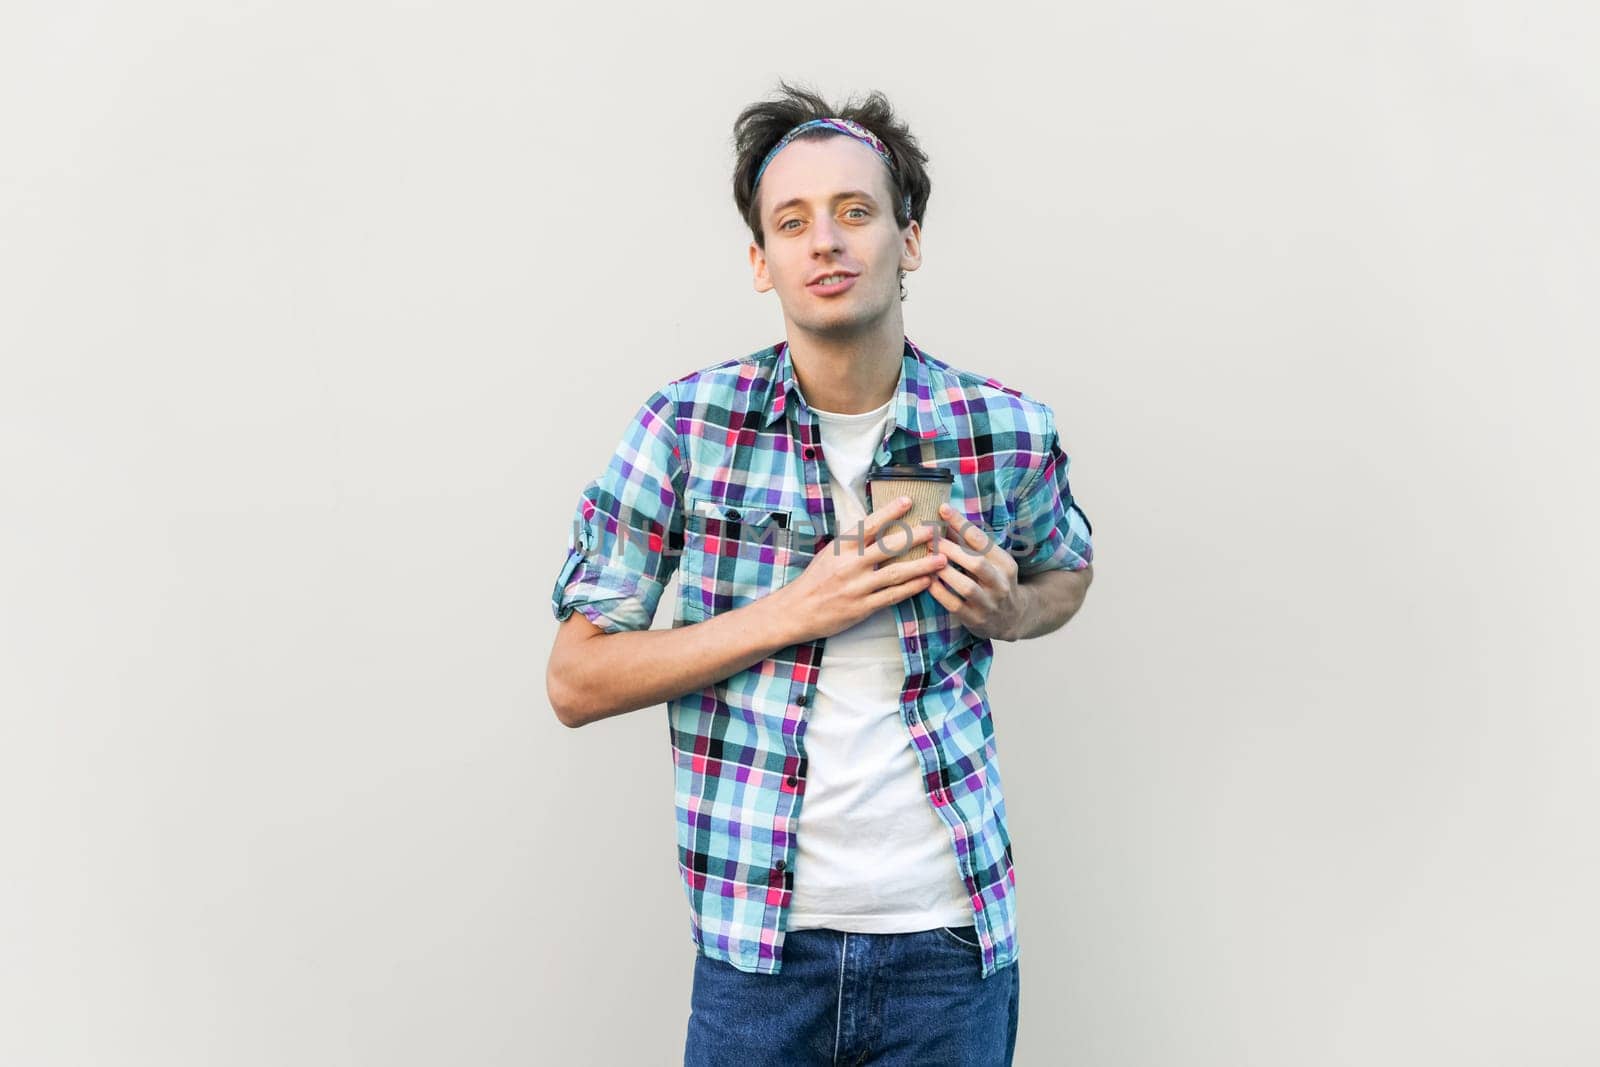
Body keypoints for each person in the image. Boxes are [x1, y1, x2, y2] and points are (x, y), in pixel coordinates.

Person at [547, 81, 1095, 1066]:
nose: (825, 241)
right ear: (761, 261)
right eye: (791, 221)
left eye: (854, 211)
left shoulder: (1002, 428)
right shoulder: (687, 427)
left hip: (950, 943)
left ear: (908, 238)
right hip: (759, 954)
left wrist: (1010, 607)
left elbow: (1068, 571)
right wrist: (790, 611)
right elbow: (575, 679)